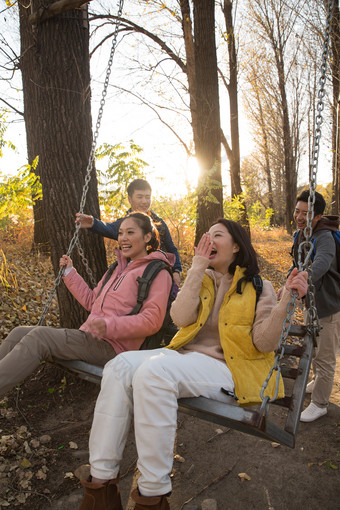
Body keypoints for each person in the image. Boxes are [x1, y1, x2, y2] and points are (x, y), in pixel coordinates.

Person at [77, 218, 307, 510]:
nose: (209, 241)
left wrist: (287, 298)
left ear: (236, 245)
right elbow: (181, 318)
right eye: (206, 236)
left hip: (227, 369)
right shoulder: (205, 279)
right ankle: (101, 487)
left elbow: (264, 342)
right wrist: (197, 268)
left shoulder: (259, 287)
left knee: (153, 373)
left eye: (218, 235)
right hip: (184, 358)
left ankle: (151, 496)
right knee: (119, 366)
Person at [0, 213, 174, 400]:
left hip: (114, 347)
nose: (123, 238)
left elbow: (152, 321)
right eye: (121, 232)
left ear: (147, 237)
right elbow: (92, 300)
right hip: (91, 338)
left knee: (39, 338)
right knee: (19, 332)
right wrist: (70, 272)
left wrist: (109, 326)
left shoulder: (157, 272)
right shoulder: (117, 268)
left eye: (130, 232)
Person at [290, 190, 340, 422]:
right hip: (311, 302)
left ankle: (320, 404)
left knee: (326, 357)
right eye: (297, 211)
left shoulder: (325, 237)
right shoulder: (300, 234)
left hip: (329, 306)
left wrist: (302, 280)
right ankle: (317, 380)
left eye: (306, 213)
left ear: (318, 216)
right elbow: (297, 263)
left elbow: (321, 264)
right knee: (314, 347)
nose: (299, 217)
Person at [75, 178, 182, 287]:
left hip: (160, 274)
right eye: (140, 197)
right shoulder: (125, 223)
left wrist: (176, 271)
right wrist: (93, 223)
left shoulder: (159, 223)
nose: (144, 201)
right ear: (130, 199)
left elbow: (171, 248)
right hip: (135, 278)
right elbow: (109, 228)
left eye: (147, 197)